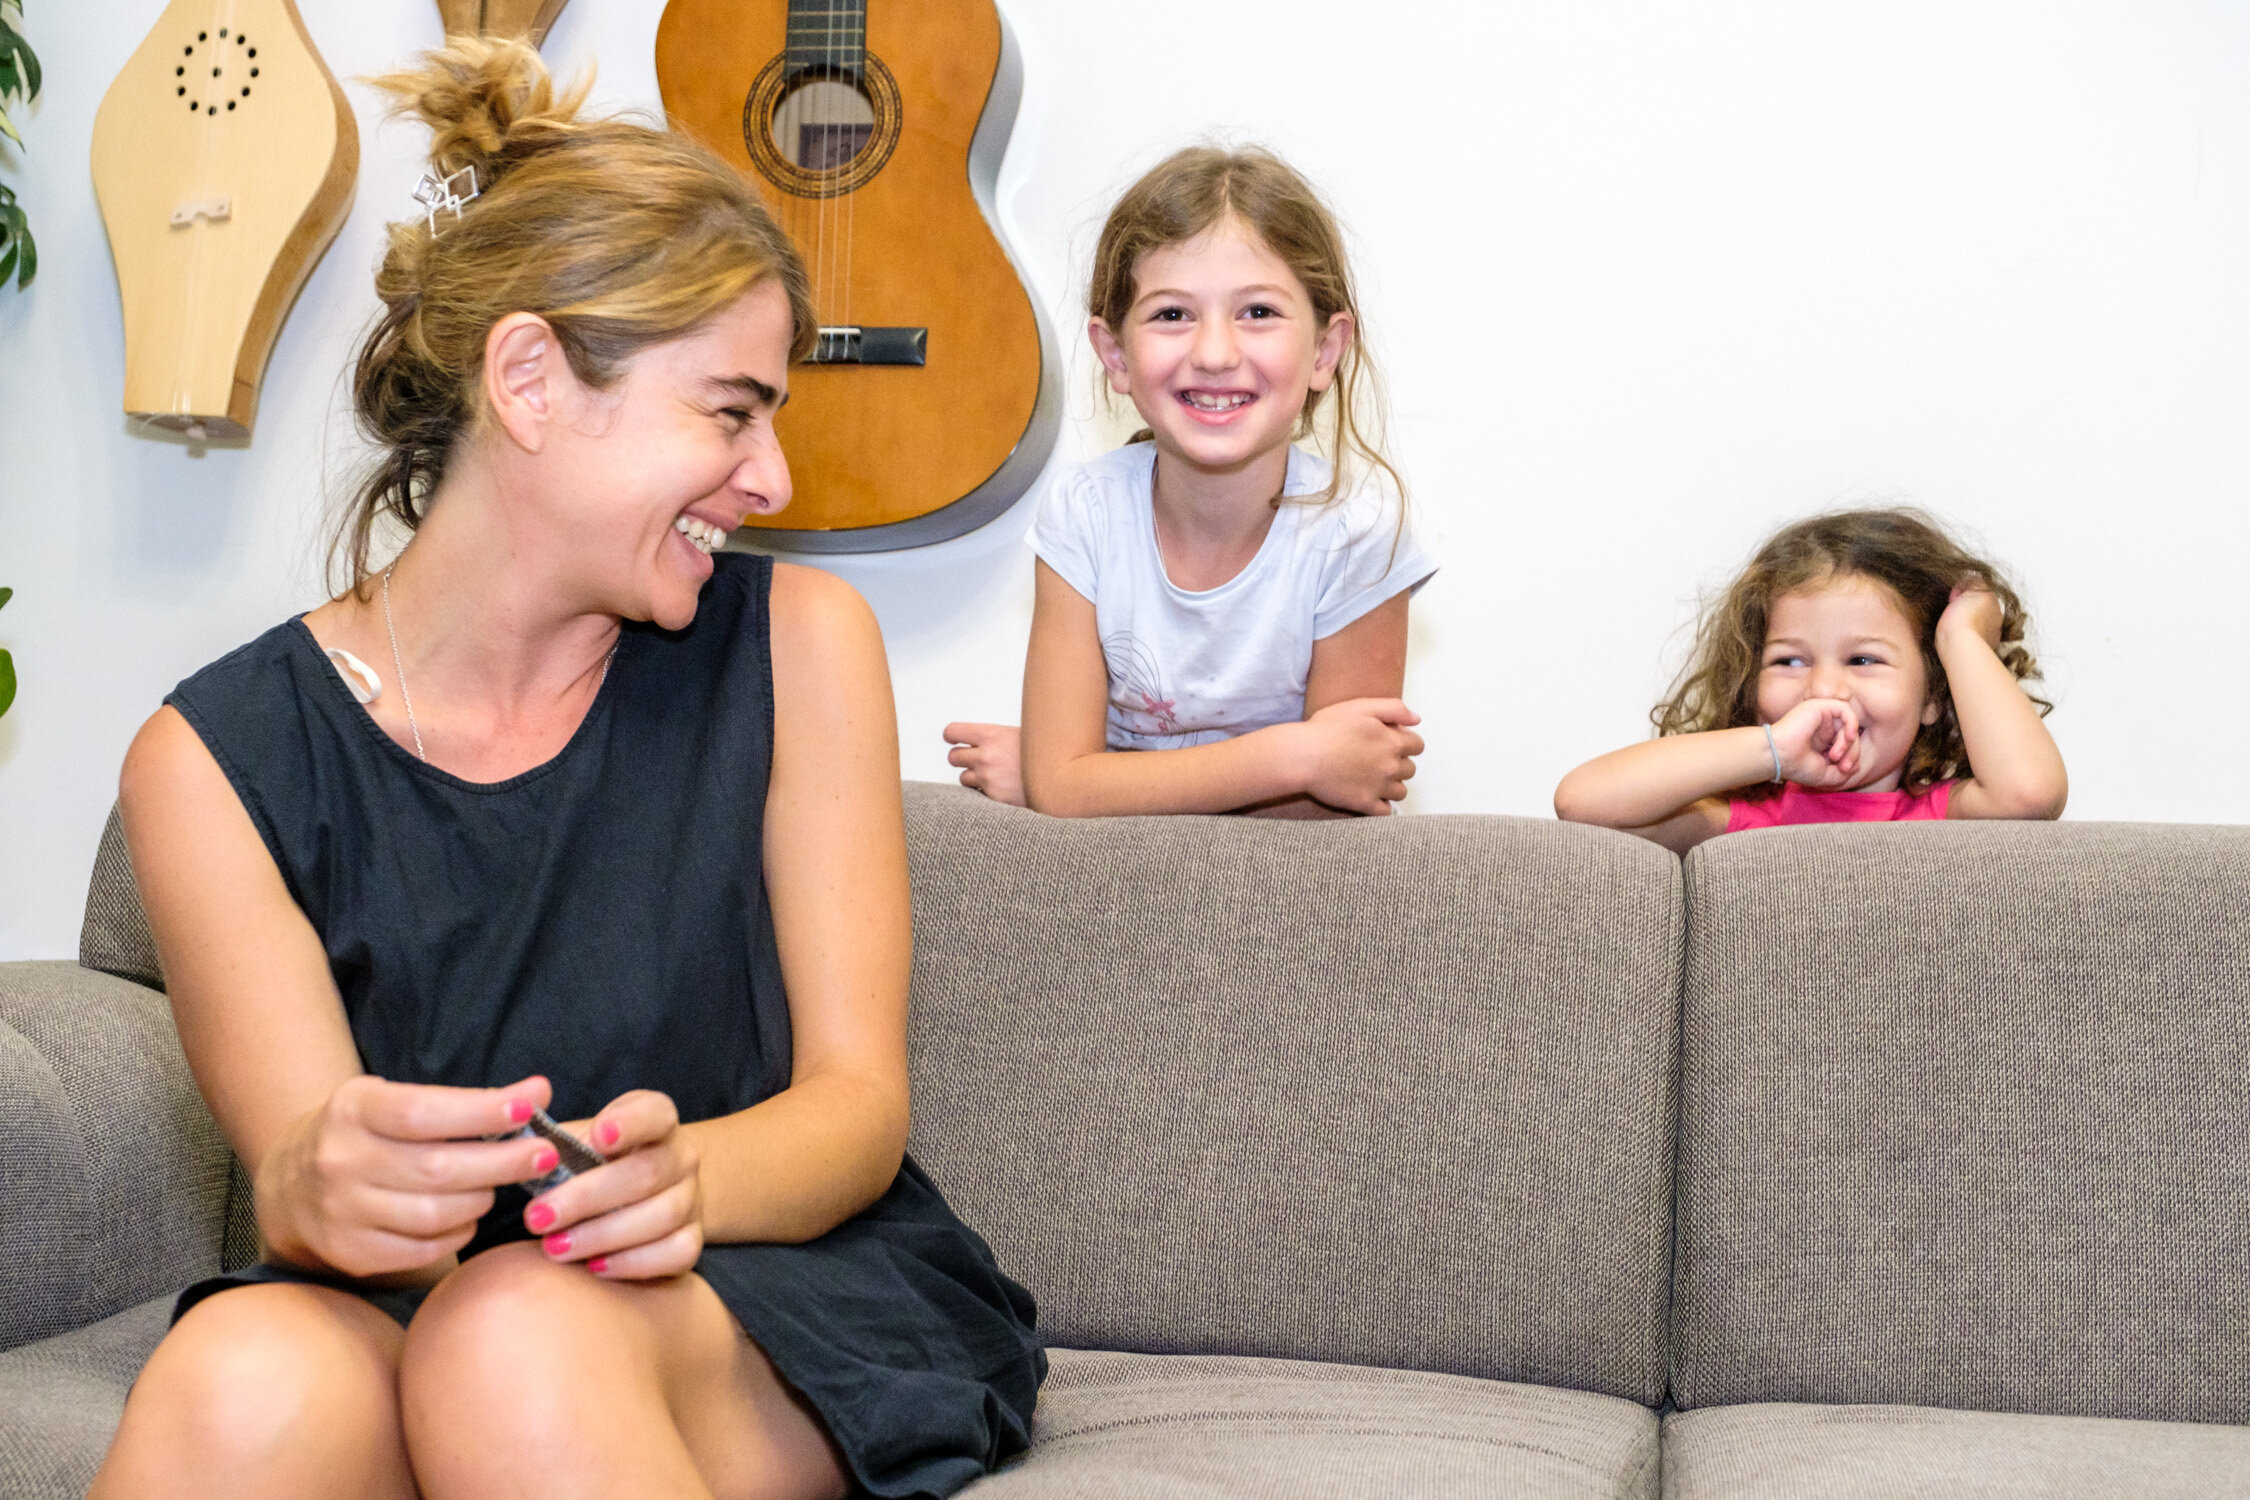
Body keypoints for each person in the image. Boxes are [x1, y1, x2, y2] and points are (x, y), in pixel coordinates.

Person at [92, 41, 1043, 1500]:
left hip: (762, 1276)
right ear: (531, 380)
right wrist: (310, 1181)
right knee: (234, 1379)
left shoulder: (799, 645)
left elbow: (856, 1109)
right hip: (422, 1300)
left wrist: (688, 1179)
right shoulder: (210, 762)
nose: (773, 479)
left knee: (514, 1336)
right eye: (731, 410)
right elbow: (299, 1173)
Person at [943, 146, 1437, 818]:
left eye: (1258, 312)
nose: (1213, 353)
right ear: (1114, 354)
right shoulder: (1086, 512)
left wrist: (1095, 780)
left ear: (1324, 350)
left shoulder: (1359, 533)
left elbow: (1335, 808)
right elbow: (1066, 789)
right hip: (1112, 888)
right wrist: (1294, 757)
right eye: (1172, 314)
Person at [1553, 508, 2066, 854]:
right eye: (1789, 662)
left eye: (1863, 660)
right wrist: (1771, 749)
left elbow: (2031, 794)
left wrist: (1962, 641)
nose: (1823, 690)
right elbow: (1582, 803)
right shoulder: (1741, 824)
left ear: (1934, 694)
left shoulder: (1941, 818)